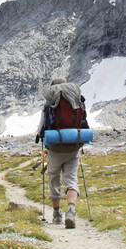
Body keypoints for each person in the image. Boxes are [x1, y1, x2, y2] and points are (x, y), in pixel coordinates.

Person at [35, 77, 88, 229]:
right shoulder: (76, 99)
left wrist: (40, 138)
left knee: (53, 178)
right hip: (73, 146)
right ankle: (71, 209)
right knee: (71, 179)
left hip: (55, 147)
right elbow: (84, 121)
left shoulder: (49, 104)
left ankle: (57, 214)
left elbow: (40, 128)